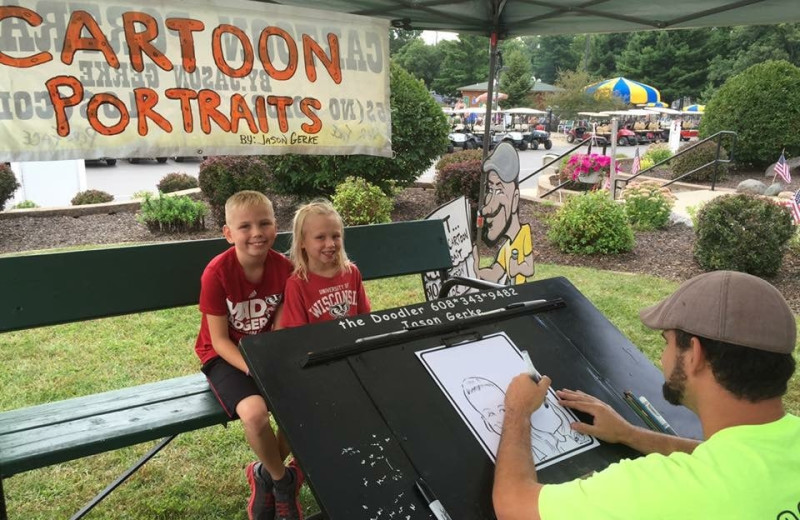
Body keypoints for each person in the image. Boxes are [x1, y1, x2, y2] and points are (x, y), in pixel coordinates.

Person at [493, 270, 799, 520]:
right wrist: (631, 435)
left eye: (666, 342)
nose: (664, 358)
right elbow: (733, 459)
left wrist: (518, 412)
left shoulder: (660, 489)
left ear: (694, 355)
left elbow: (513, 505)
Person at [194, 190, 303, 520]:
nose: (256, 232)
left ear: (275, 226)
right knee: (255, 414)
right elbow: (218, 340)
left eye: (264, 223)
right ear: (228, 234)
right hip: (224, 356)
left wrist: (272, 364)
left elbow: (281, 329)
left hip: (266, 352)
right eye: (244, 227)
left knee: (300, 403)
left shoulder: (285, 268)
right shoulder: (217, 273)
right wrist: (254, 370)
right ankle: (284, 481)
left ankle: (264, 474)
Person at [278, 199, 370, 328]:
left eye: (335, 236)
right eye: (320, 237)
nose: (330, 244)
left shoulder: (351, 272)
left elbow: (365, 317)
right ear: (302, 242)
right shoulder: (297, 285)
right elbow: (297, 336)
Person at [474, 142, 534, 285]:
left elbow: (530, 268)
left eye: (500, 191)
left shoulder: (524, 233)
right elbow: (495, 274)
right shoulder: (506, 249)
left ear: (515, 200)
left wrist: (518, 268)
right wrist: (476, 271)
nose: (489, 207)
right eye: (490, 189)